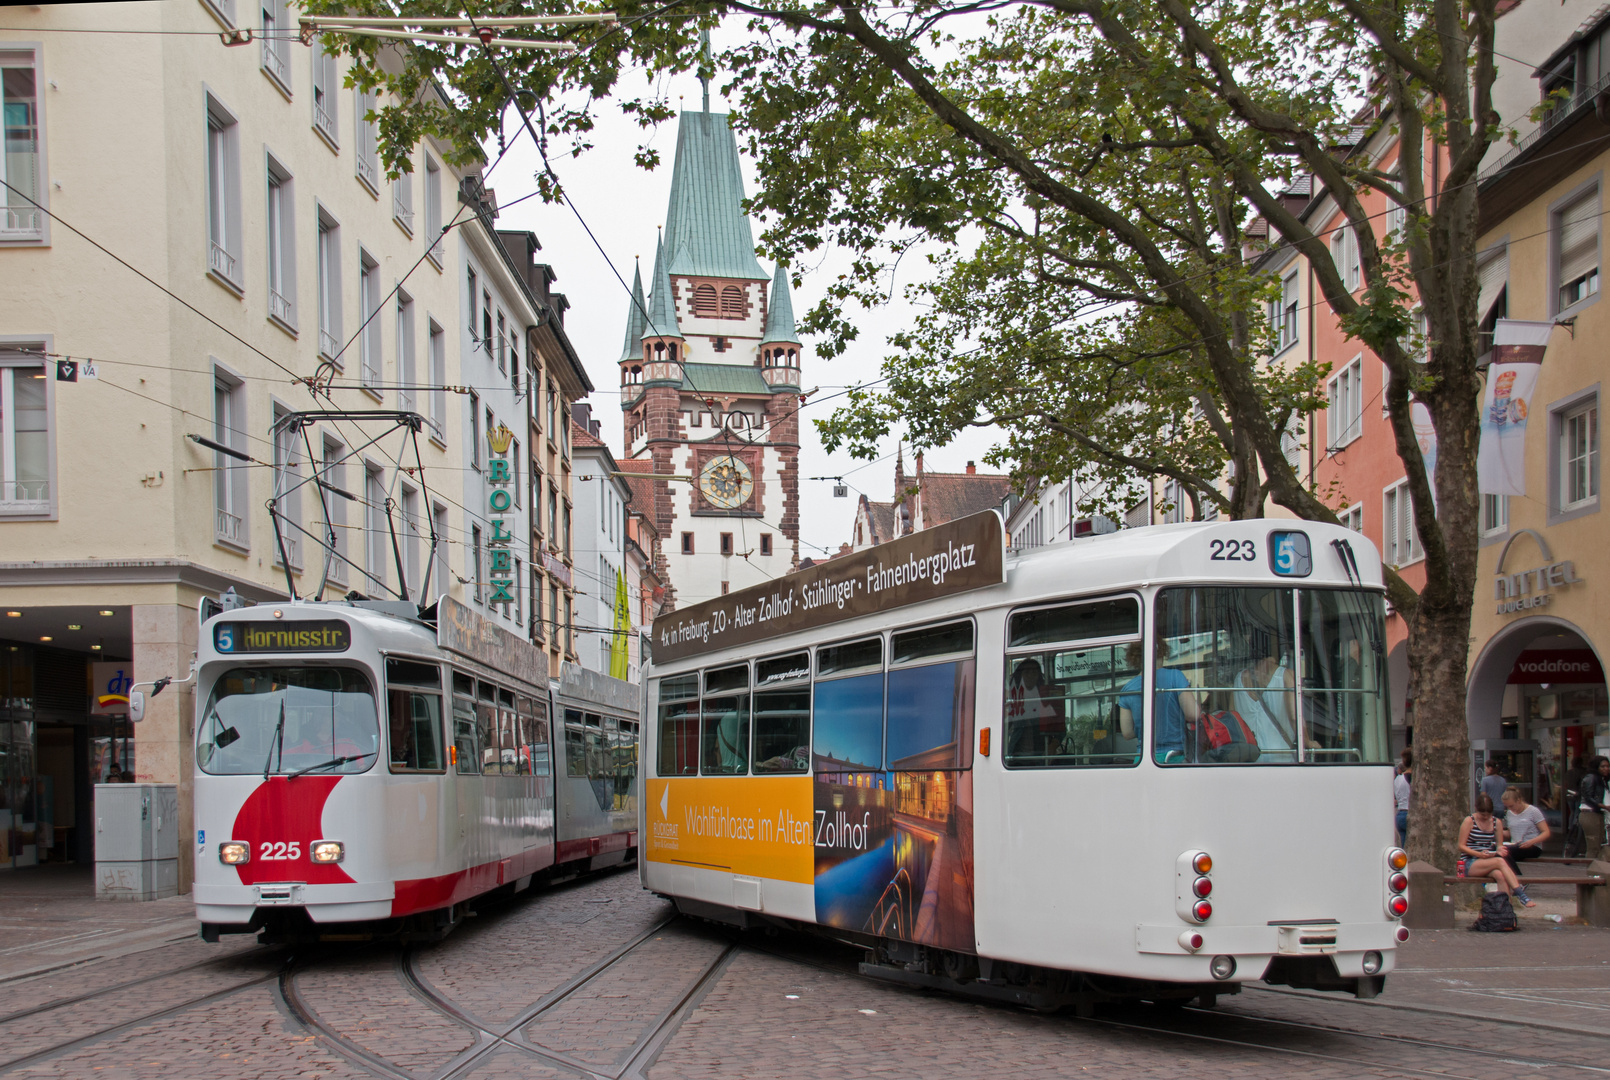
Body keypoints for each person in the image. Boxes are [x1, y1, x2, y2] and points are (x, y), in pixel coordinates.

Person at [1117, 641, 1199, 763]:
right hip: (1174, 757)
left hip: (1141, 759)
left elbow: (1127, 733)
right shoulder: (1175, 676)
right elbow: (1193, 714)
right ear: (1162, 653)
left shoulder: (1127, 689)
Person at [1458, 793, 1534, 908]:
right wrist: (1479, 854)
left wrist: (1499, 850)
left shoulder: (1496, 822)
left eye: (1488, 815)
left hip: (1488, 859)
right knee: (1500, 862)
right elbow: (1461, 846)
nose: (1485, 817)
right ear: (1476, 810)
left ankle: (1506, 912)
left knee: (1500, 875)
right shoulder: (1469, 821)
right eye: (1482, 814)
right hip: (1470, 861)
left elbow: (1499, 845)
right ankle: (1520, 894)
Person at [1230, 646, 1297, 754]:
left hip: (1248, 753)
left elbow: (1232, 714)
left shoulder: (1239, 678)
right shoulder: (1286, 675)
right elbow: (1294, 717)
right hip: (1279, 754)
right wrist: (1307, 742)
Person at [1007, 658, 1063, 757]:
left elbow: (1061, 729)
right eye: (1027, 672)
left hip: (1041, 752)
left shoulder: (1046, 697)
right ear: (1021, 675)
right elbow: (1005, 726)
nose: (1030, 676)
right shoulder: (1014, 698)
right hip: (1017, 753)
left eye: (1034, 672)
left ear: (1038, 675)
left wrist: (1052, 746)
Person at [1500, 787, 1550, 876]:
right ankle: (1512, 878)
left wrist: (1531, 841)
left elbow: (1546, 832)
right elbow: (1510, 833)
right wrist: (1497, 830)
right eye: (1507, 807)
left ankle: (1518, 878)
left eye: (1511, 806)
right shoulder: (1509, 813)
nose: (1510, 809)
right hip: (1515, 845)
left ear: (1518, 801)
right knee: (1499, 851)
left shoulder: (1533, 811)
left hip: (1532, 846)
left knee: (1505, 853)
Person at [1580, 755, 1609, 861]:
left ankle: (1596, 871)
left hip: (1597, 813)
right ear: (1596, 767)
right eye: (1603, 766)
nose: (1606, 769)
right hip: (1590, 813)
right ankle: (1592, 873)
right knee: (1593, 846)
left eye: (1607, 766)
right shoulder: (1591, 778)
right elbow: (1588, 796)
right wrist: (1603, 806)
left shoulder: (1601, 779)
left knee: (1597, 845)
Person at [1394, 748, 1413, 847]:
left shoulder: (1398, 778)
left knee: (1403, 847)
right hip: (1408, 812)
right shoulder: (1412, 779)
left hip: (1400, 813)